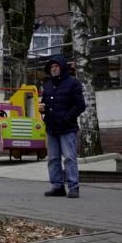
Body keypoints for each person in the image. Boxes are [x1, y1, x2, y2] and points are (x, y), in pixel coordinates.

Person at [39, 55, 86, 198]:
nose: (53, 69)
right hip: (51, 127)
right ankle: (57, 186)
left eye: (56, 66)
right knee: (53, 159)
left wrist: (66, 118)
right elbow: (45, 104)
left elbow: (80, 105)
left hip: (67, 127)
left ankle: (73, 187)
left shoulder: (73, 83)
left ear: (63, 67)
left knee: (69, 158)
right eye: (52, 67)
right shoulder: (47, 85)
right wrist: (43, 110)